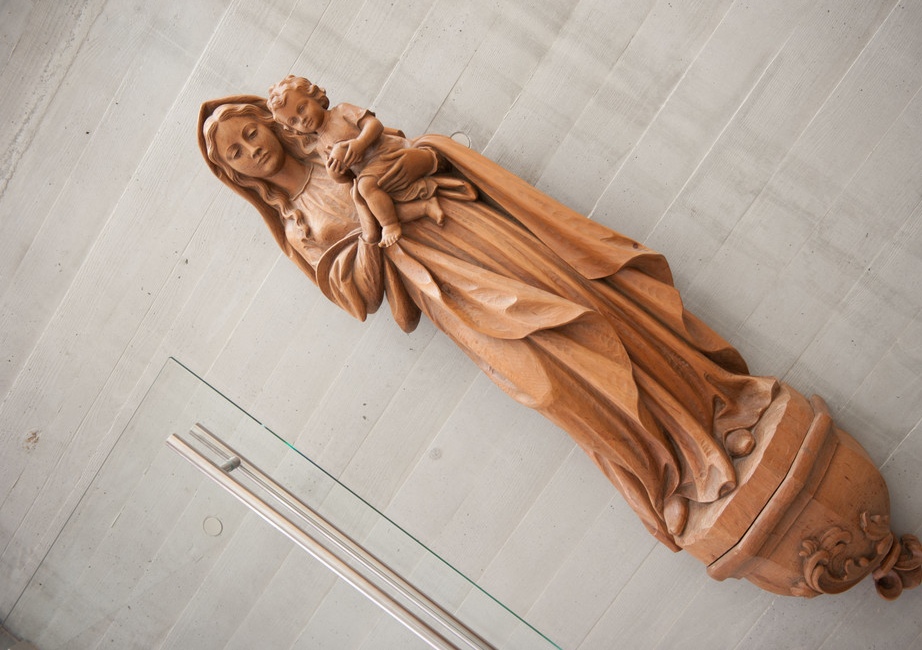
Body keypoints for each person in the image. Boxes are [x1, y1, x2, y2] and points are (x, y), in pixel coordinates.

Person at [198, 94, 779, 551]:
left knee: (589, 316)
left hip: (468, 232)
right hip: (444, 289)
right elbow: (358, 297)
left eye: (250, 132)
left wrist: (399, 168)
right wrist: (372, 228)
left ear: (271, 124)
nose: (251, 149)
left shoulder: (334, 139)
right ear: (236, 176)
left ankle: (709, 420)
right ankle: (663, 475)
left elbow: (423, 156)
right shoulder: (297, 226)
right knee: (551, 387)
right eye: (236, 154)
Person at [267, 75, 471, 246]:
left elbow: (374, 125)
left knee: (367, 188)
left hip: (389, 154)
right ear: (293, 130)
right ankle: (425, 207)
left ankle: (391, 225)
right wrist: (335, 171)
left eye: (302, 108)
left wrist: (360, 143)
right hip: (373, 175)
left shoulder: (341, 112)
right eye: (294, 121)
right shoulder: (321, 145)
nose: (302, 119)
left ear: (315, 97)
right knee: (371, 204)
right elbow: (344, 177)